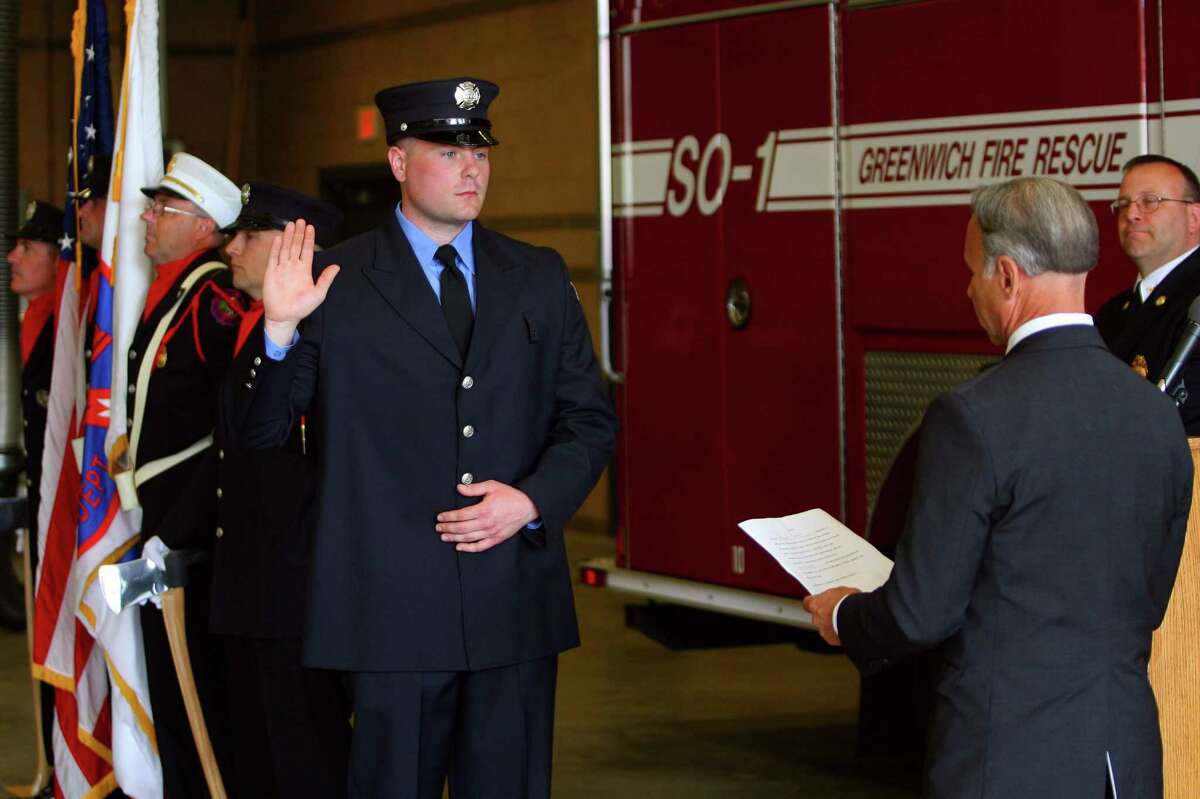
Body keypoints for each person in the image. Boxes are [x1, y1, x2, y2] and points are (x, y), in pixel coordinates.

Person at [231, 77, 617, 798]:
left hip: (513, 608)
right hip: (389, 615)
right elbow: (261, 433)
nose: (472, 167)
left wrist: (532, 501)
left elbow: (589, 421)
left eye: (480, 151)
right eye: (448, 150)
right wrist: (277, 332)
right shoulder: (335, 280)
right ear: (399, 162)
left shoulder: (535, 274)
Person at [804, 177, 1191, 798]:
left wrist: (845, 613)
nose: (968, 289)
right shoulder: (1154, 413)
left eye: (972, 272)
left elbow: (921, 612)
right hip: (1127, 755)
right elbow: (1148, 597)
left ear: (1007, 277)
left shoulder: (974, 417)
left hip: (1008, 758)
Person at [210, 182, 351, 796]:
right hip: (250, 584)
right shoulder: (253, 327)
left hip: (299, 590)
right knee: (257, 751)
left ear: (299, 244)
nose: (230, 247)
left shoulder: (326, 331)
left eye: (248, 234)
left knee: (305, 753)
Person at [130, 152, 245, 799]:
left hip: (193, 536)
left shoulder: (214, 304)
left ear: (204, 226)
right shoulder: (177, 293)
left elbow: (231, 427)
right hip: (160, 526)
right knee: (167, 690)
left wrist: (178, 527)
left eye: (162, 210)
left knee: (196, 692)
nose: (147, 219)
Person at [1096, 154, 1200, 432]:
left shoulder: (1196, 304)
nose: (1131, 214)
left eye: (1150, 201)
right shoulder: (1112, 314)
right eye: (1124, 204)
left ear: (1194, 217)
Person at [8, 201, 64, 533]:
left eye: (27, 248)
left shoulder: (70, 327)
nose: (12, 257)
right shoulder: (35, 318)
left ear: (61, 259)